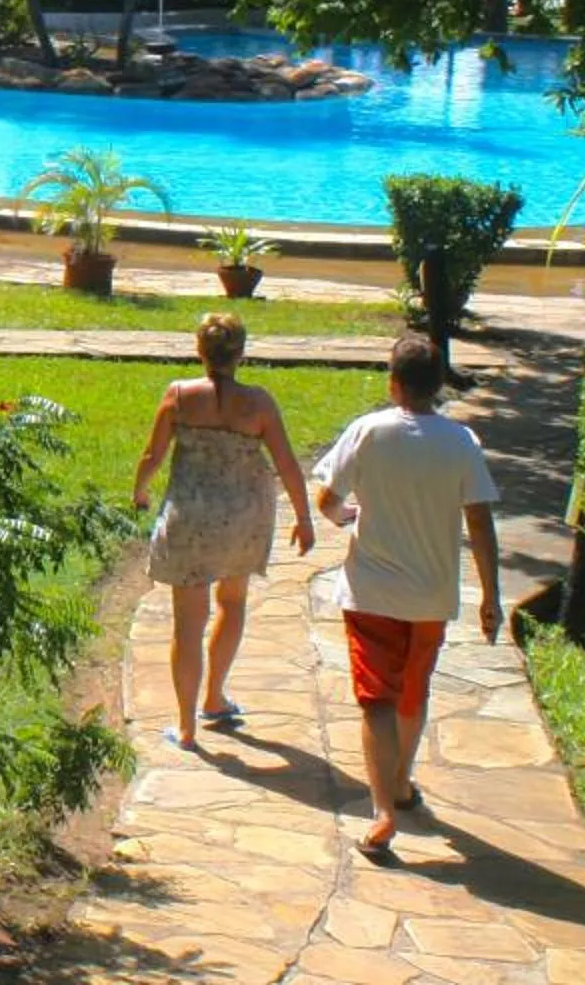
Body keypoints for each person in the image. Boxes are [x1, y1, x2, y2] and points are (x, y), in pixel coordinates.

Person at [312, 333, 503, 859]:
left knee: (376, 699)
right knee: (413, 691)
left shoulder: (369, 431)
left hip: (371, 590)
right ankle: (400, 782)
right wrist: (491, 594)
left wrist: (343, 517)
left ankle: (382, 813)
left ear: (393, 383)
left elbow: (327, 497)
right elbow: (480, 521)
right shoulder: (461, 442)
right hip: (431, 596)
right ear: (439, 386)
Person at [130, 312, 316, 749]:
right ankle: (214, 697)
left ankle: (186, 727)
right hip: (244, 517)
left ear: (200, 351)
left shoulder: (179, 396)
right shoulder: (259, 403)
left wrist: (140, 491)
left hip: (191, 517)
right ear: (241, 354)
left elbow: (152, 456)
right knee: (232, 603)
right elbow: (287, 464)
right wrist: (304, 518)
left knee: (187, 625)